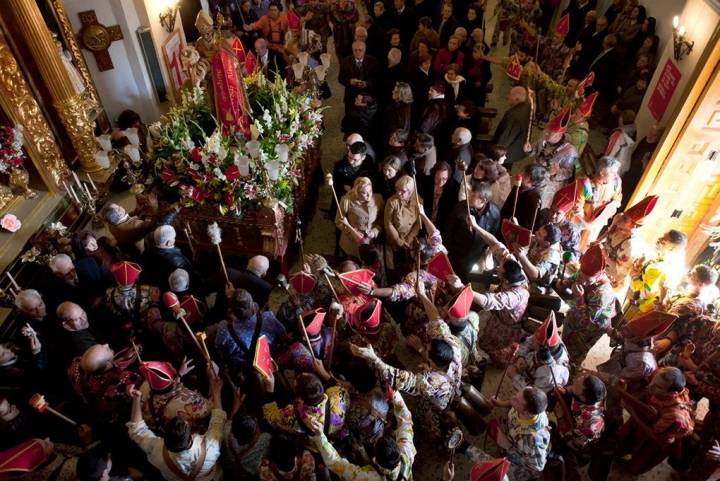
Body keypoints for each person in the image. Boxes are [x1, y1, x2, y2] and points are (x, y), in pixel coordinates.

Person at [127, 366, 226, 481]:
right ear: (191, 435)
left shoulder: (157, 451)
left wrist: (137, 398)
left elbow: (136, 430)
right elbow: (217, 416)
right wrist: (215, 389)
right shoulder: (211, 446)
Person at [312, 388, 415, 481]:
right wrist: (395, 396)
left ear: (376, 459)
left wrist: (321, 437)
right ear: (398, 448)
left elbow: (336, 463)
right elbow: (406, 421)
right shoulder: (407, 453)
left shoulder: (367, 477)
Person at [611, 366, 694, 476]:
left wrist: (632, 412)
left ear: (671, 394)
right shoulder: (660, 382)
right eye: (654, 380)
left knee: (638, 463)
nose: (651, 386)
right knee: (624, 439)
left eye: (658, 387)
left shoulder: (674, 415)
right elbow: (647, 393)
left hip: (659, 437)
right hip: (650, 420)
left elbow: (655, 436)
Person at [467, 222, 530, 366]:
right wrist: (476, 226)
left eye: (499, 269)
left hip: (505, 324)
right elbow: (495, 243)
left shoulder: (514, 296)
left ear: (506, 278)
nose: (497, 267)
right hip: (499, 314)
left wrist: (465, 291)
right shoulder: (513, 266)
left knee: (487, 349)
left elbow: (488, 301)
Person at [560, 244, 617, 366]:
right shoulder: (583, 274)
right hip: (576, 314)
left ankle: (570, 369)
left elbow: (588, 321)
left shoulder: (602, 294)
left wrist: (580, 298)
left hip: (592, 326)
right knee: (564, 341)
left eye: (588, 279)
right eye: (582, 275)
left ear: (599, 275)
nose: (583, 281)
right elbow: (575, 278)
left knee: (575, 352)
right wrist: (564, 283)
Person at [487, 387, 550, 481]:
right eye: (516, 395)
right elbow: (513, 402)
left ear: (527, 412)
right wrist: (501, 404)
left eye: (516, 400)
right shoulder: (532, 406)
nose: (512, 398)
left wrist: (508, 447)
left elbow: (537, 467)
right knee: (491, 426)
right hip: (513, 435)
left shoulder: (533, 439)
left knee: (494, 475)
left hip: (523, 463)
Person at [445, 182, 501, 281]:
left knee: (464, 278)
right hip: (456, 252)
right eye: (470, 193)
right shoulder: (460, 208)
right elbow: (449, 230)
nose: (469, 196)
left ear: (483, 200)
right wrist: (449, 249)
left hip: (474, 254)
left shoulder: (494, 213)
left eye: (473, 195)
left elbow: (492, 233)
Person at [601, 195, 658, 290]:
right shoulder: (619, 218)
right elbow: (608, 232)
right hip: (601, 262)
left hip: (611, 279)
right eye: (624, 215)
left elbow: (619, 272)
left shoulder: (629, 245)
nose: (621, 218)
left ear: (633, 227)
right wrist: (598, 241)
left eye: (625, 219)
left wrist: (604, 255)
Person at [525, 108, 578, 208]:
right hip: (535, 173)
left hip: (550, 182)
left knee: (537, 204)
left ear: (560, 134)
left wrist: (556, 173)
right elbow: (535, 151)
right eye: (547, 131)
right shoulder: (544, 138)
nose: (546, 134)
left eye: (550, 133)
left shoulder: (570, 151)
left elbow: (569, 173)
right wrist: (530, 150)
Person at [138, 360, 211, 431]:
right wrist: (212, 379)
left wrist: (179, 375)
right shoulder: (186, 400)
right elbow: (212, 408)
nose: (173, 367)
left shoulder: (147, 390)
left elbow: (169, 389)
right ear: (172, 380)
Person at [510, 312, 570, 394]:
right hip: (536, 370)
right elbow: (529, 341)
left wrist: (515, 376)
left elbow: (534, 394)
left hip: (542, 390)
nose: (532, 338)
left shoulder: (549, 373)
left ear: (542, 349)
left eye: (535, 340)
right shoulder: (554, 341)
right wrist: (521, 356)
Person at [571, 155, 623, 249]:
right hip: (581, 222)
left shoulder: (616, 182)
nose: (615, 175)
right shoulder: (586, 185)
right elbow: (577, 208)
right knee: (573, 245)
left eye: (616, 172)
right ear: (602, 172)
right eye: (613, 172)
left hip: (599, 222)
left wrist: (612, 206)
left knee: (587, 246)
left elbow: (618, 199)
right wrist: (586, 224)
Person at [337, 177, 384, 259]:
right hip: (351, 244)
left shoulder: (378, 199)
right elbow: (339, 221)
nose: (369, 195)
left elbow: (382, 219)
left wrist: (374, 232)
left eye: (370, 191)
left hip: (370, 242)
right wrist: (353, 234)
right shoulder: (346, 201)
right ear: (357, 192)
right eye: (364, 193)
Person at [384, 175, 421, 272]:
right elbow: (388, 224)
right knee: (394, 267)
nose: (399, 193)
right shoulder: (392, 202)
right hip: (394, 241)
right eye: (397, 189)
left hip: (410, 241)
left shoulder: (418, 201)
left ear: (411, 191)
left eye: (403, 191)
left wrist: (409, 239)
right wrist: (399, 241)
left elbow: (418, 223)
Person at [500, 164, 547, 231]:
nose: (521, 174)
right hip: (503, 220)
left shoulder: (534, 199)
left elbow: (528, 225)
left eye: (525, 175)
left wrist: (516, 224)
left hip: (513, 229)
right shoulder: (519, 185)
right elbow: (508, 204)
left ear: (533, 181)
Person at [492, 86, 531, 166]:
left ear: (517, 99)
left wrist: (497, 155)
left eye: (510, 94)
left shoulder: (514, 116)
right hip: (516, 150)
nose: (507, 96)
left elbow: (505, 139)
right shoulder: (526, 108)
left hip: (507, 155)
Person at [339, 41, 380, 115]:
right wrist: (350, 81)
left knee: (367, 117)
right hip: (351, 96)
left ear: (364, 50)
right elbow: (341, 78)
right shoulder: (345, 61)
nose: (357, 52)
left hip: (367, 95)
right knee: (350, 117)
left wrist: (367, 83)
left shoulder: (373, 61)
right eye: (355, 50)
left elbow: (377, 79)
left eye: (360, 50)